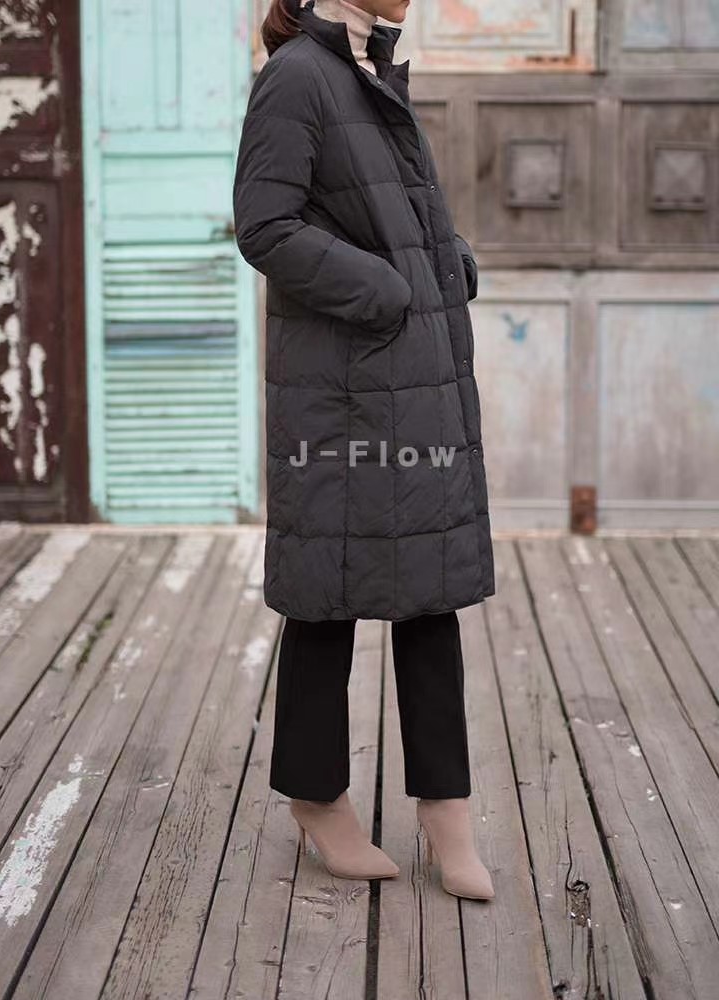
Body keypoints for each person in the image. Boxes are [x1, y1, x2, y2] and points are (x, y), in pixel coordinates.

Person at [233, 0, 496, 899]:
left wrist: (447, 261)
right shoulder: (298, 77)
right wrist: (387, 292)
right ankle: (317, 800)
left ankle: (447, 816)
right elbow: (265, 225)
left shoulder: (369, 67)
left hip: (414, 379)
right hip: (342, 391)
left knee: (432, 593)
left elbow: (397, 209)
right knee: (327, 592)